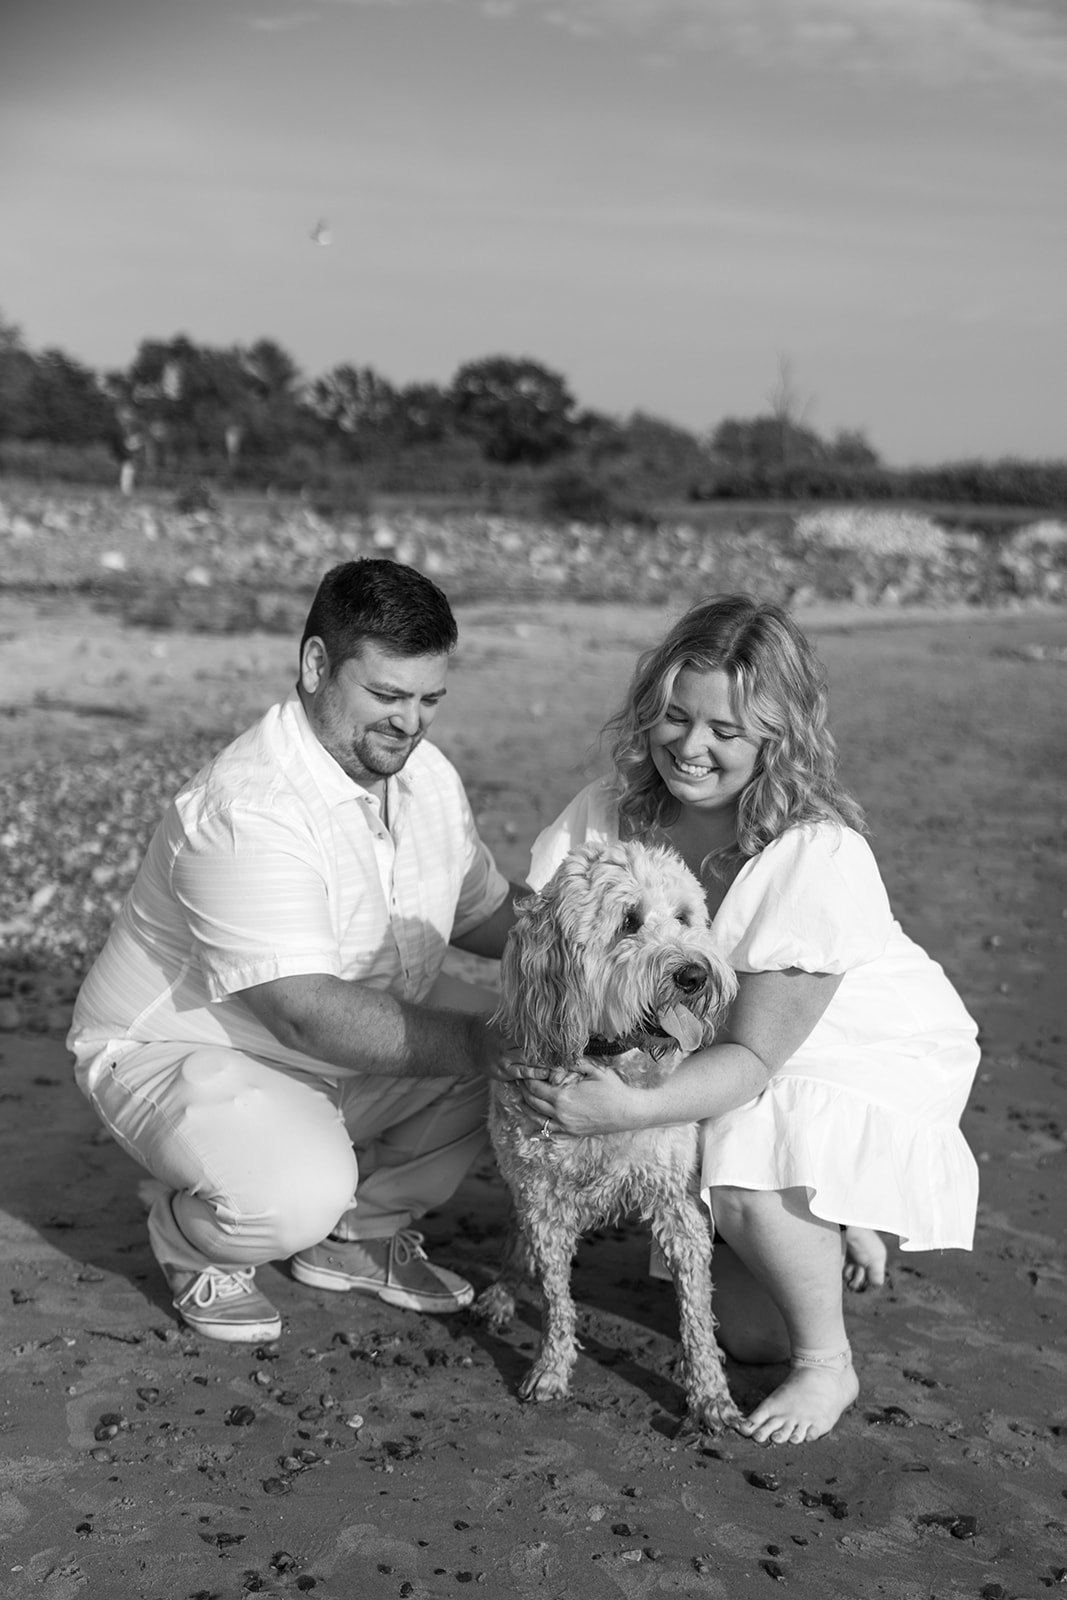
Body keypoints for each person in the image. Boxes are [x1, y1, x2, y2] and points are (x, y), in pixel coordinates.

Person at [520, 594, 980, 1446]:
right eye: (673, 716)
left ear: (777, 735)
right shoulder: (609, 809)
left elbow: (755, 1057)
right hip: (712, 1037)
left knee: (741, 1152)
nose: (690, 748)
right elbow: (539, 928)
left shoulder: (816, 852)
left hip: (839, 1042)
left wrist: (625, 1110)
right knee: (749, 1336)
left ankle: (826, 1363)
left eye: (725, 732)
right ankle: (823, 1222)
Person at [68, 559, 525, 1344]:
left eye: (427, 700)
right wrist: (508, 1044)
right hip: (180, 1051)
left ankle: (362, 1234)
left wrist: (604, 945)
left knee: (514, 1045)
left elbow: (481, 911)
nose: (409, 723)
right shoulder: (250, 808)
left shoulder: (424, 775)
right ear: (315, 665)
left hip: (335, 1039)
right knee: (295, 1192)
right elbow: (306, 1016)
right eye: (385, 695)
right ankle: (191, 1238)